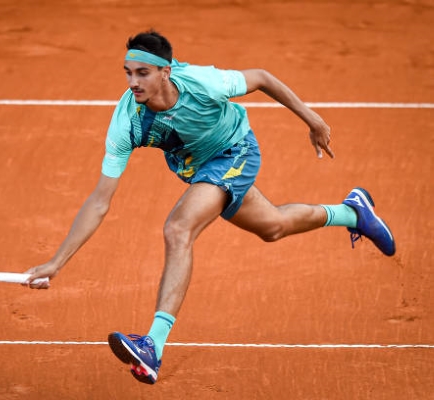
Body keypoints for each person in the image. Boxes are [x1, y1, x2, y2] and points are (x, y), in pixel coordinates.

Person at [23, 30, 395, 384]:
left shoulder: (204, 83)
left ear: (165, 72)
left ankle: (153, 345)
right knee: (273, 226)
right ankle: (353, 211)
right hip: (200, 168)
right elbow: (99, 201)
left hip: (236, 151)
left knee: (177, 228)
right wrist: (58, 261)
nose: (133, 82)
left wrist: (312, 119)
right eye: (128, 73)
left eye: (143, 73)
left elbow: (262, 77)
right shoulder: (127, 123)